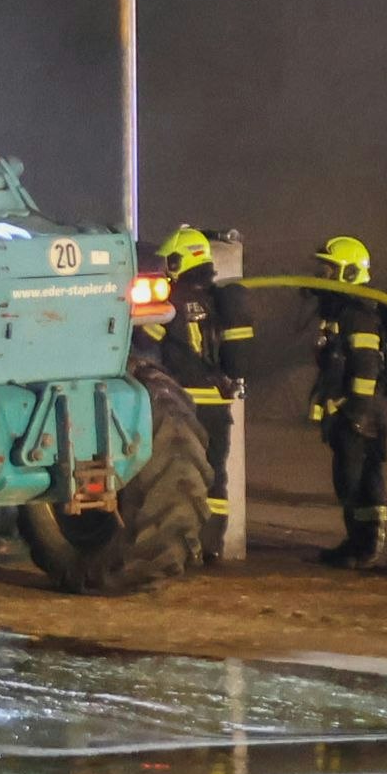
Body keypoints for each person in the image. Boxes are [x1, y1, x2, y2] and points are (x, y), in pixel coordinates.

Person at [307, 235, 387, 568]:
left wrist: (355, 412)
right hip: (352, 411)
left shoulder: (357, 314)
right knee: (351, 480)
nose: (322, 275)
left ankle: (365, 546)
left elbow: (367, 366)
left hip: (359, 412)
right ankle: (356, 543)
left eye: (329, 269)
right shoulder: (342, 310)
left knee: (357, 481)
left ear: (349, 272)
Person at [140, 225, 251, 546]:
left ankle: (183, 542)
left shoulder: (172, 300)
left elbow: (147, 339)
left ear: (180, 261)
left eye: (170, 262)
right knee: (215, 473)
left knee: (179, 477)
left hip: (183, 403)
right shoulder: (219, 301)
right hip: (218, 402)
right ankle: (213, 544)